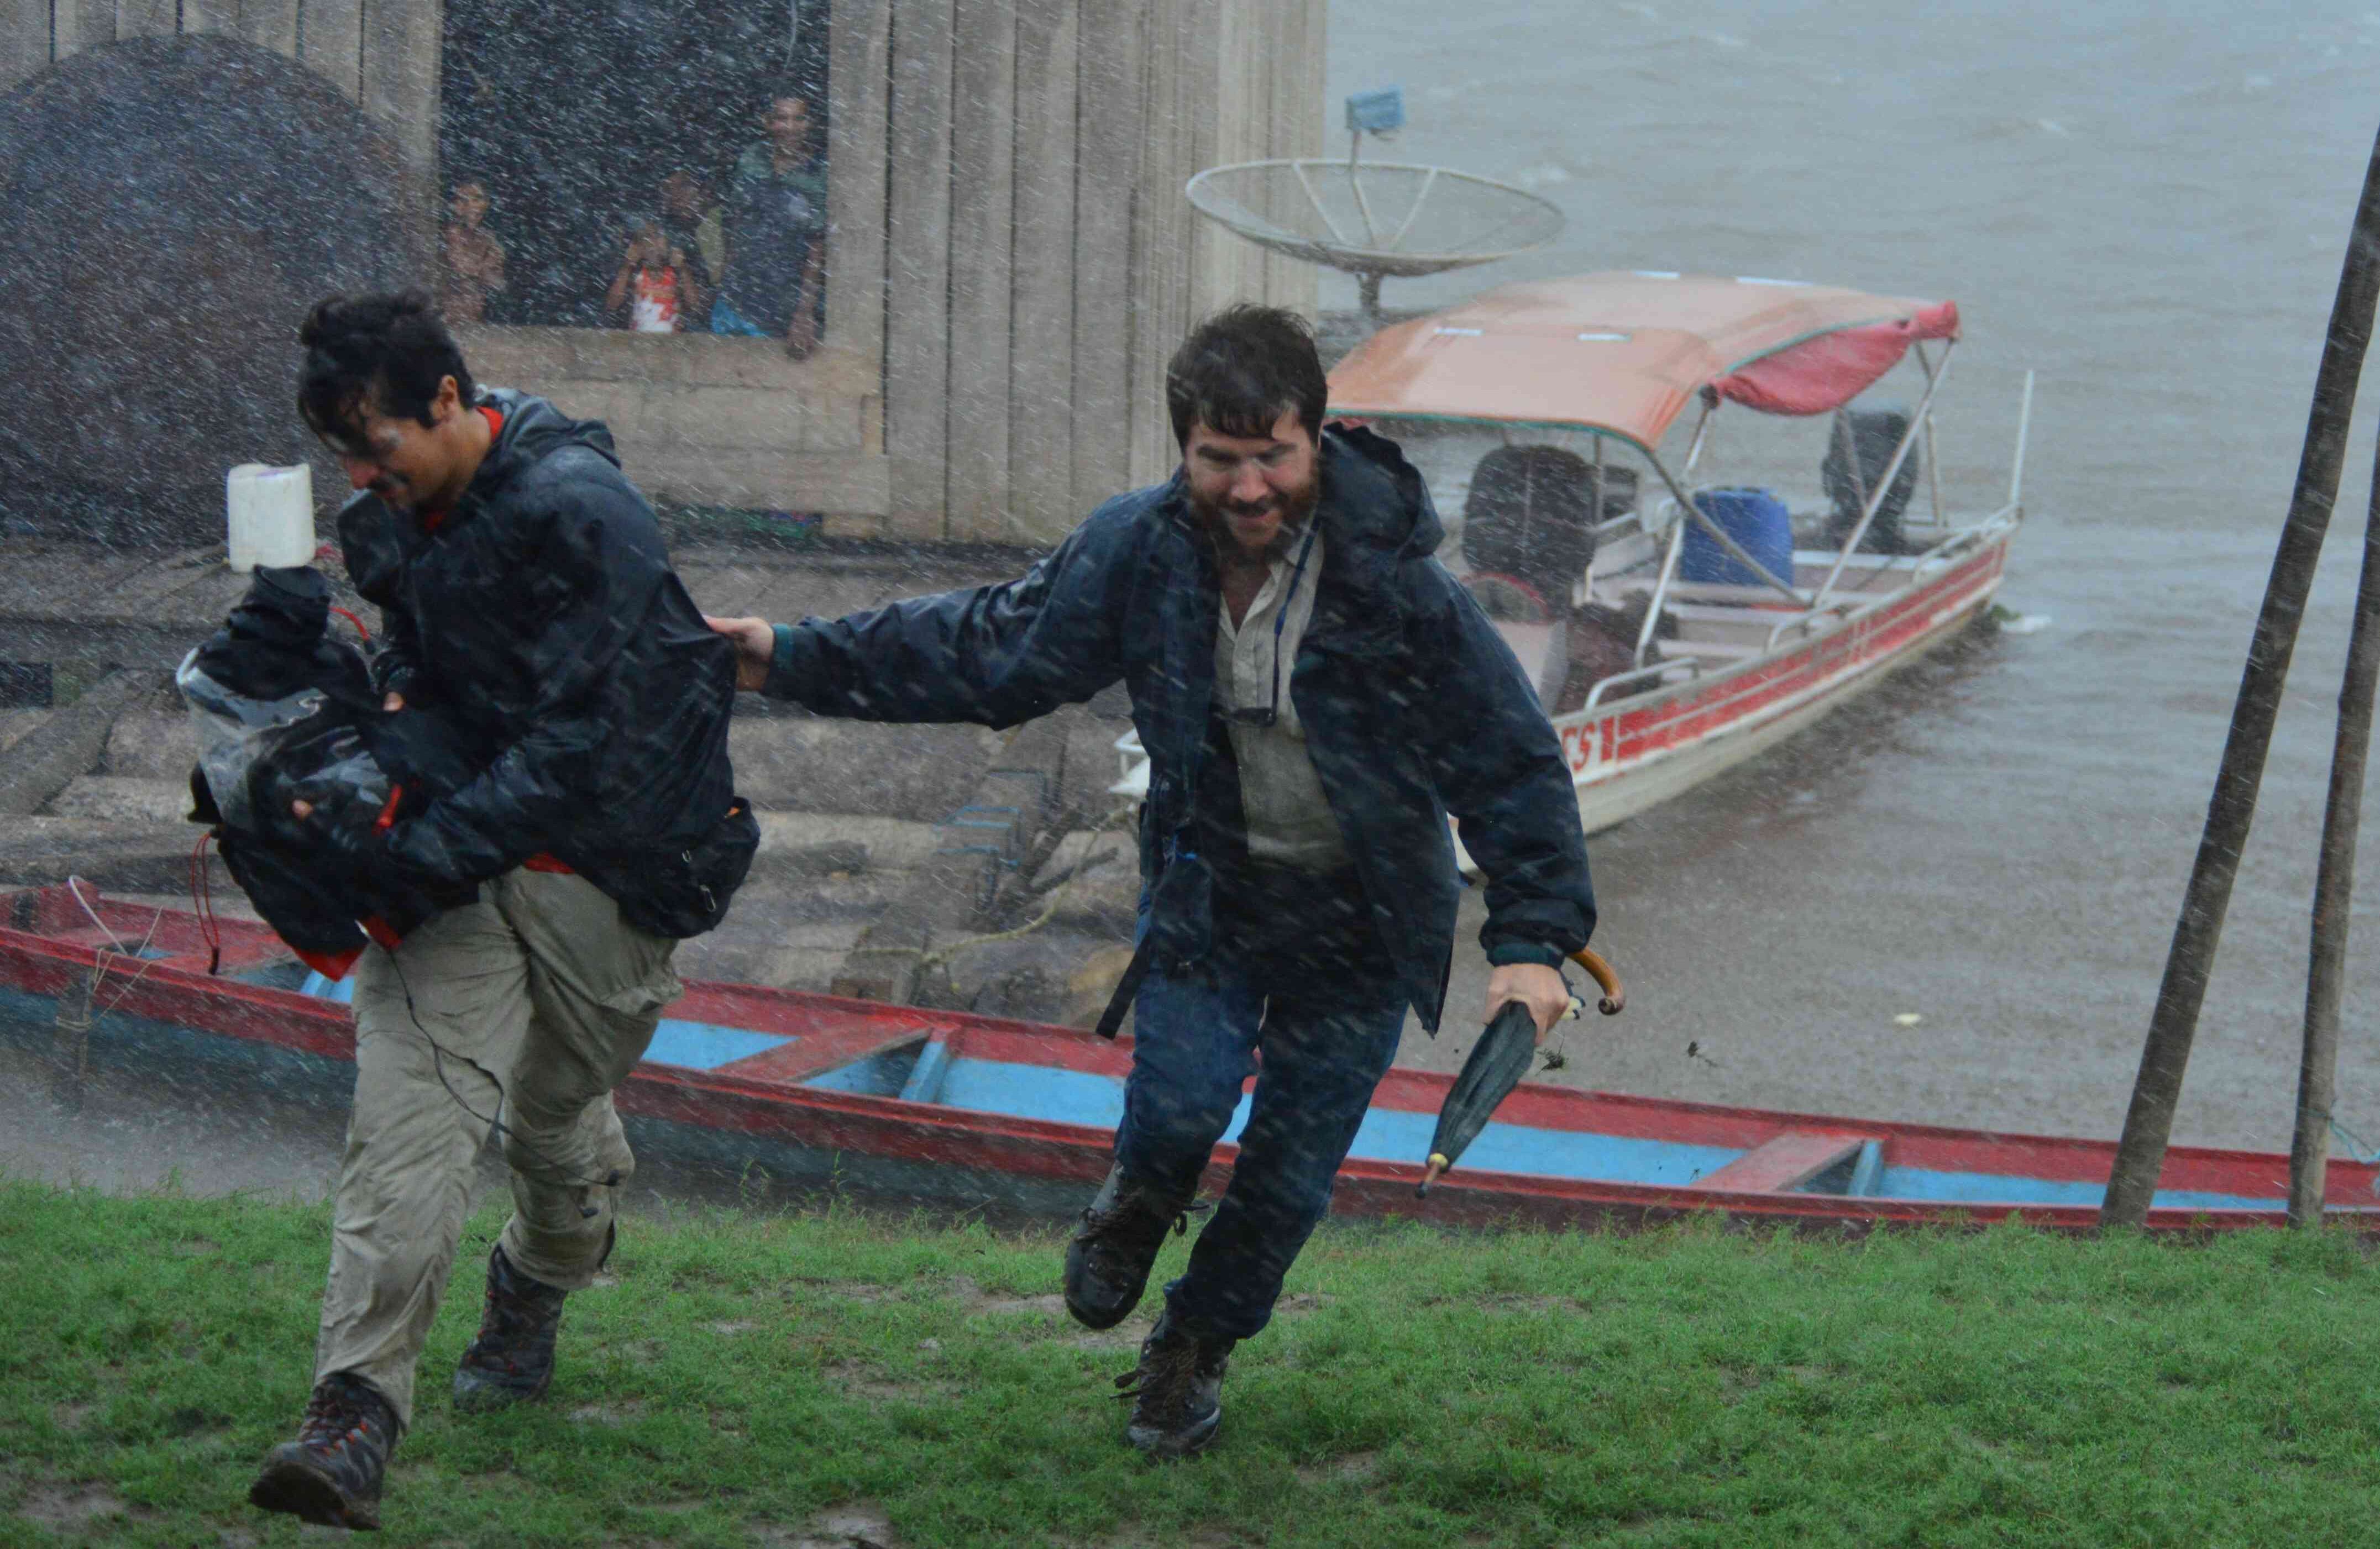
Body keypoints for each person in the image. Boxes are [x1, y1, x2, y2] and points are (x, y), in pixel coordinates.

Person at [705, 305, 1596, 1460]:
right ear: (1183, 450)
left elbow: (1509, 757)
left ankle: (1189, 1346)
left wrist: (1530, 941)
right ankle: (1137, 1196)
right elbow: (989, 649)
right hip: (1210, 896)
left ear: (1315, 441)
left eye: (1271, 455)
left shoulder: (1397, 586)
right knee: (1176, 1108)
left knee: (1284, 1186)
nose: (1246, 487)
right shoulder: (1136, 552)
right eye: (1217, 460)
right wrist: (786, 655)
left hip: (1364, 924)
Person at [246, 291, 759, 1531]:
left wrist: (423, 846)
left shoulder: (584, 514)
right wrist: (310, 678)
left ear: (449, 401)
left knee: (553, 1130)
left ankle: (534, 1281)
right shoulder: (393, 523)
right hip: (463, 876)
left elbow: (588, 738)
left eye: (380, 447)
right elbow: (419, 672)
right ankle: (352, 1413)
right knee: (407, 1127)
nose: (366, 479)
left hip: (613, 871)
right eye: (345, 459)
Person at [712, 90, 826, 357]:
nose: (790, 128)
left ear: (810, 124)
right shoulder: (752, 159)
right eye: (781, 119)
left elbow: (818, 246)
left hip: (784, 302)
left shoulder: (819, 175)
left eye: (799, 120)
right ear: (767, 122)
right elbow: (736, 221)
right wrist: (723, 280)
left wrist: (804, 312)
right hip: (737, 295)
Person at [604, 214, 706, 333]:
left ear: (668, 242)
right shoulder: (633, 272)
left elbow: (695, 305)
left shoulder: (677, 271)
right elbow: (612, 305)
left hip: (673, 344)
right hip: (635, 343)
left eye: (658, 236)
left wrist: (683, 268)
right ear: (637, 246)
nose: (653, 243)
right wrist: (627, 266)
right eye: (647, 237)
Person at [438, 178, 506, 324]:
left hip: (475, 321)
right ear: (454, 205)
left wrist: (479, 274)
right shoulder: (444, 235)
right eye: (463, 200)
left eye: (477, 199)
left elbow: (497, 283)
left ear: (487, 204)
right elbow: (460, 268)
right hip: (444, 319)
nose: (470, 206)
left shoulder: (489, 240)